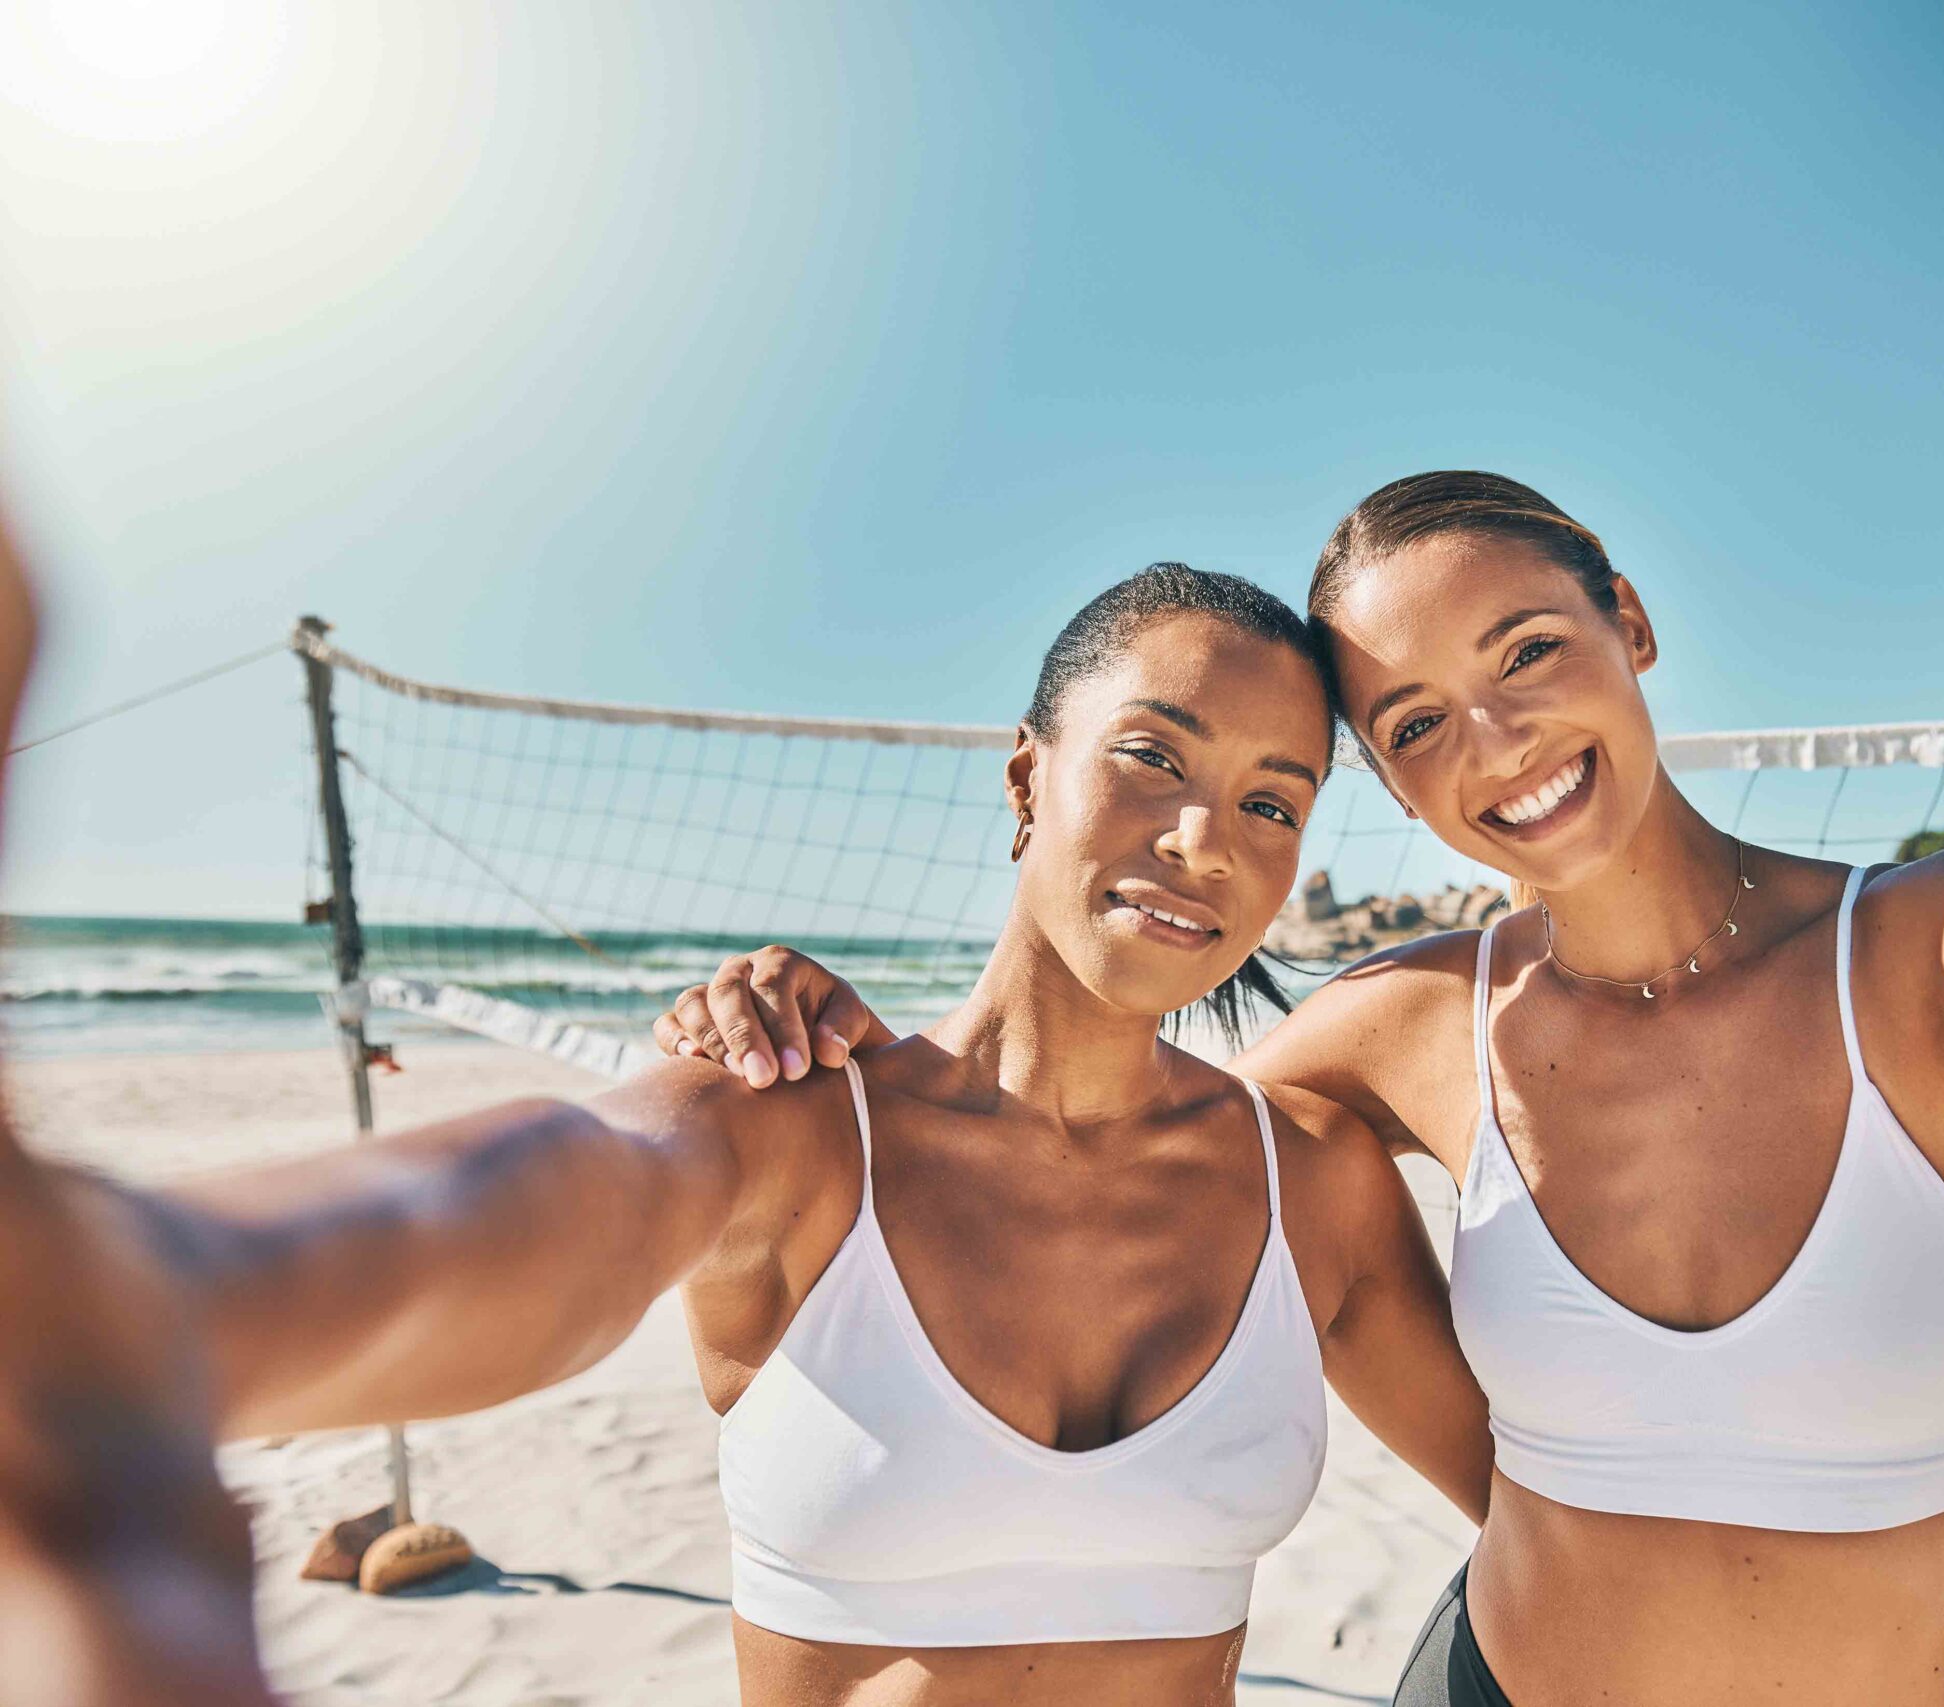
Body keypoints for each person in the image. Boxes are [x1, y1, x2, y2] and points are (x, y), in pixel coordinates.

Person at [673, 450, 1944, 1707]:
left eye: (1529, 652)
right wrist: (776, 1011)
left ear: (1629, 623)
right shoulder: (1399, 1026)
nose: (1493, 743)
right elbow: (1071, 1073)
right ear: (1389, 790)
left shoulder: (1940, 951)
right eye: (1411, 726)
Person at [7, 563, 1508, 1707]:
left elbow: (1573, 1508)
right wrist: (155, 1294)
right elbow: (555, 1207)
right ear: (1024, 775)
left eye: (1271, 801)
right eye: (1154, 758)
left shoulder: (1307, 1183)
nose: (1206, 841)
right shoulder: (793, 1114)